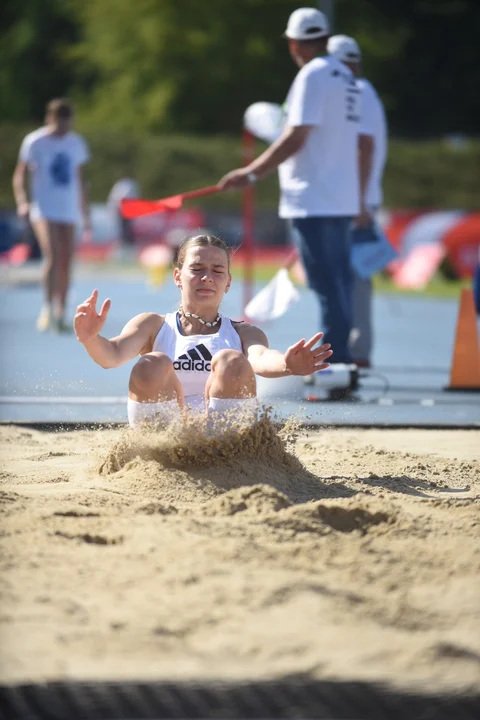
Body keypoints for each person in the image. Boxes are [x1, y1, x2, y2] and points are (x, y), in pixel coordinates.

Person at [219, 8, 372, 365]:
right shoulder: (346, 79)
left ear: (294, 43)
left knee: (326, 287)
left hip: (312, 199)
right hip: (340, 198)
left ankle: (335, 367)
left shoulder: (312, 75)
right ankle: (342, 363)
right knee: (338, 286)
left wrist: (252, 172)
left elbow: (296, 136)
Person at [74, 234, 333, 429]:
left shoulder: (245, 333)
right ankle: (156, 451)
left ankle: (221, 456)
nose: (207, 277)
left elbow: (262, 358)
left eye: (217, 271)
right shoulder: (151, 325)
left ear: (228, 282)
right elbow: (112, 356)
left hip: (222, 439)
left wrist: (287, 364)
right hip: (168, 434)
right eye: (197, 269)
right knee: (152, 362)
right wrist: (90, 339)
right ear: (178, 277)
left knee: (230, 360)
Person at [327, 34, 388, 368]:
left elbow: (363, 146)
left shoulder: (357, 93)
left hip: (354, 202)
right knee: (351, 278)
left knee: (350, 278)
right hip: (356, 198)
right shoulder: (365, 92)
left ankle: (354, 350)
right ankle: (353, 348)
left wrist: (359, 200)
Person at [13, 98, 90, 332]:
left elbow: (79, 179)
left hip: (68, 209)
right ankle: (47, 307)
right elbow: (19, 175)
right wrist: (23, 202)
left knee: (66, 261)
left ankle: (61, 311)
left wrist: (84, 212)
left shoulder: (76, 143)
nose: (63, 129)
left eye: (67, 124)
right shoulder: (35, 141)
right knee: (52, 255)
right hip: (44, 208)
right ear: (50, 119)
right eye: (59, 124)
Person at [107, 176, 140, 257]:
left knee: (127, 233)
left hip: (126, 212)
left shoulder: (128, 186)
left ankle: (128, 251)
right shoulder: (123, 186)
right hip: (122, 212)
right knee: (122, 233)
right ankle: (122, 251)